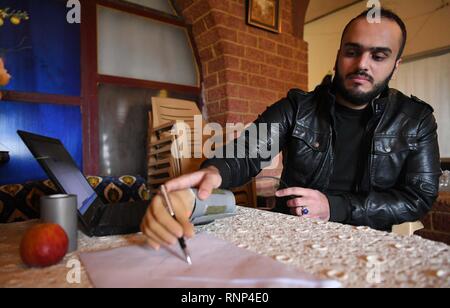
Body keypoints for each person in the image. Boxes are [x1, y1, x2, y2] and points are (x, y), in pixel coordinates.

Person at [141, 8, 441, 250]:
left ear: (396, 64)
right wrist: (213, 173)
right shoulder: (298, 108)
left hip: (369, 243)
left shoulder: (416, 120)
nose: (362, 64)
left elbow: (418, 197)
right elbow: (246, 153)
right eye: (352, 51)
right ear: (338, 54)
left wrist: (334, 207)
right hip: (289, 237)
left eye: (378, 56)